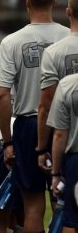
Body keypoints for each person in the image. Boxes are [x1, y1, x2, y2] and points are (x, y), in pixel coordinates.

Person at [0, 0, 70, 233]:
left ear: (27, 3)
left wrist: (7, 141)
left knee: (32, 205)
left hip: (28, 125)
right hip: (68, 125)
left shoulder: (11, 42)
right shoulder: (69, 36)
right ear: (54, 2)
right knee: (68, 203)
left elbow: (3, 96)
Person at [38, 0, 78, 174]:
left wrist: (42, 147)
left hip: (67, 139)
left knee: (61, 196)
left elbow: (46, 105)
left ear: (68, 12)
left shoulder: (53, 52)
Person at [47, 72, 78, 232]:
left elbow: (59, 134)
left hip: (75, 160)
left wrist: (56, 173)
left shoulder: (68, 85)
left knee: (71, 220)